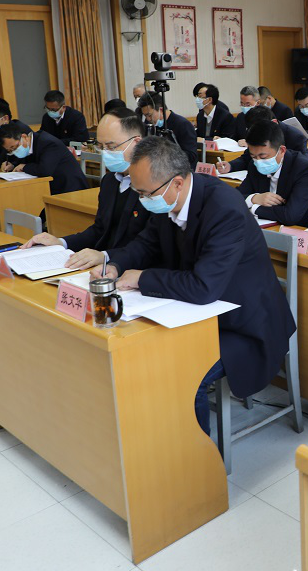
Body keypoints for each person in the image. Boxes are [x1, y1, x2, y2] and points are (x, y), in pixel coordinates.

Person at [93, 136, 296, 435]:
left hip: (243, 324)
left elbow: (204, 287)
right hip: (196, 312)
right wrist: (115, 264)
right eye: (138, 192)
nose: (142, 199)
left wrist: (142, 278)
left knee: (187, 374)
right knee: (143, 353)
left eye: (145, 193)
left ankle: (196, 456)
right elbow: (146, 244)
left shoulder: (224, 208)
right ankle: (155, 437)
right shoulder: (167, 197)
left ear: (177, 182)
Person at [22, 108, 150, 269]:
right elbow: (99, 230)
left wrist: (105, 256)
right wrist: (61, 242)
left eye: (111, 147)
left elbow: (149, 246)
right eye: (101, 146)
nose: (105, 153)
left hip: (135, 269)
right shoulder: (110, 181)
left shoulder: (154, 186)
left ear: (137, 143)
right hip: (104, 268)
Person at [237, 120, 308, 227]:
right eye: (253, 156)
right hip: (269, 227)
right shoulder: (254, 165)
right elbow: (236, 197)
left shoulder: (305, 169)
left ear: (282, 150)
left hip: (305, 229)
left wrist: (254, 207)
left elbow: (290, 216)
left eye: (263, 156)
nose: (258, 161)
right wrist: (254, 198)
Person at [0, 123, 88, 196]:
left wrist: (24, 167)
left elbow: (45, 170)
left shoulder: (47, 143)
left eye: (14, 147)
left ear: (24, 137)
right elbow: (24, 161)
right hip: (51, 188)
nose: (14, 151)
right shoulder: (28, 144)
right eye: (10, 151)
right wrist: (13, 165)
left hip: (71, 189)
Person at [215, 105, 307, 174]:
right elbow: (247, 158)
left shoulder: (296, 137)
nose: (258, 135)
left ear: (274, 122)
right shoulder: (255, 134)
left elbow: (303, 166)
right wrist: (230, 166)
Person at [137, 93, 198, 168]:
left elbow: (192, 156)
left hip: (180, 169)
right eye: (145, 116)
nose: (148, 119)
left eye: (149, 115)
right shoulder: (151, 125)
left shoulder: (183, 124)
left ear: (161, 110)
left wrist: (166, 156)